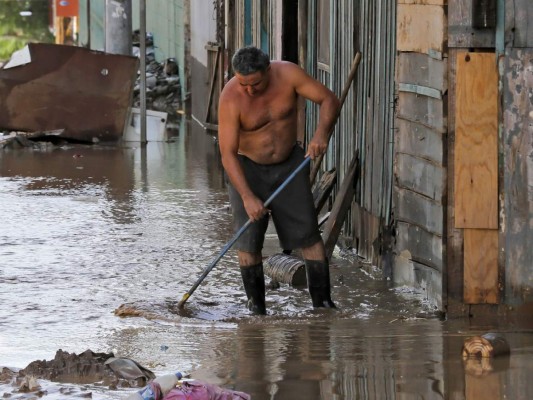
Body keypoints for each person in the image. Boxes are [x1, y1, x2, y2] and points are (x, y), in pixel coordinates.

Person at [218, 46, 340, 315]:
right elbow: (227, 154)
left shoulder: (288, 74)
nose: (249, 90)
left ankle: (322, 304)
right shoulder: (230, 97)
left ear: (268, 71)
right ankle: (257, 308)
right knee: (248, 241)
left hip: (289, 166)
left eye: (256, 83)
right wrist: (248, 197)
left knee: (308, 235)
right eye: (243, 84)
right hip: (247, 169)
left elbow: (328, 99)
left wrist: (321, 134)